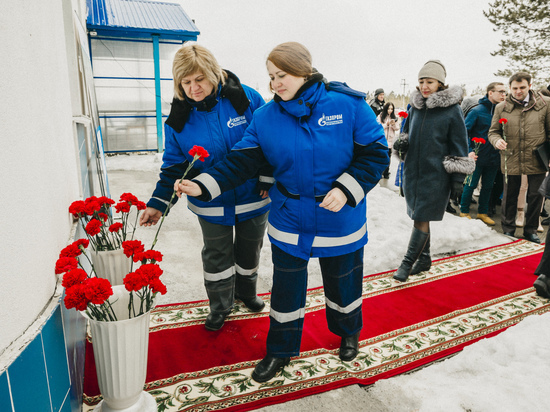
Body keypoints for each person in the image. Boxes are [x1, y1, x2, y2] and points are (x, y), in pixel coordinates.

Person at [175, 42, 389, 382]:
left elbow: (376, 154)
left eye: (283, 75)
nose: (276, 84)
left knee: (343, 282)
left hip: (339, 215)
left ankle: (349, 332)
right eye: (271, 76)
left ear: (304, 70)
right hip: (289, 215)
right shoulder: (265, 118)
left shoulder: (348, 106)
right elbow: (241, 161)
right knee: (286, 288)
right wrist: (203, 185)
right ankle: (280, 350)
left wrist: (347, 188)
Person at [139, 44, 271, 331]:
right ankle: (220, 306)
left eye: (199, 79)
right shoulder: (178, 119)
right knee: (217, 255)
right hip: (209, 203)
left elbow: (269, 142)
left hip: (252, 196)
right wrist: (158, 203)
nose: (193, 88)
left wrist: (266, 178)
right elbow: (175, 166)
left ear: (213, 73)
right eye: (185, 82)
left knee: (250, 252)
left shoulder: (247, 99)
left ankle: (247, 294)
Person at [392, 60, 473, 282]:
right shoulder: (415, 106)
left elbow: (459, 145)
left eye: (430, 81)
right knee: (419, 215)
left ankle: (407, 264)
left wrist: (458, 178)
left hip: (435, 175)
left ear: (441, 83)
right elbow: (406, 134)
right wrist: (401, 144)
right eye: (421, 81)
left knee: (421, 217)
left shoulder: (452, 110)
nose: (424, 86)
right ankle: (424, 258)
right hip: (413, 173)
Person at [488, 72, 550, 243]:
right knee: (509, 195)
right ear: (510, 88)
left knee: (536, 195)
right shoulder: (501, 107)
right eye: (514, 88)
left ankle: (530, 230)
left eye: (522, 87)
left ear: (530, 86)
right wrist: (497, 140)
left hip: (537, 157)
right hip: (511, 157)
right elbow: (493, 132)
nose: (518, 91)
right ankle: (508, 229)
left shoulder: (545, 104)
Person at [459, 82, 506, 225]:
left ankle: (482, 213)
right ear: (490, 93)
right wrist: (469, 151)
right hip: (477, 156)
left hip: (494, 157)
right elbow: (463, 132)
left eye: (505, 92)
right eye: (501, 92)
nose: (504, 95)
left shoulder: (503, 112)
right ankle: (464, 211)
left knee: (488, 186)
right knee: (471, 184)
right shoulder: (476, 111)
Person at [377, 102, 400, 179]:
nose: (390, 110)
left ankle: (386, 172)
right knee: (381, 157)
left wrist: (393, 124)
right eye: (389, 108)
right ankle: (380, 172)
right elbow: (378, 127)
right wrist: (386, 124)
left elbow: (397, 128)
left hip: (390, 141)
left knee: (388, 158)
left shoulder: (395, 117)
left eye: (392, 109)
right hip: (382, 140)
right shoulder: (380, 116)